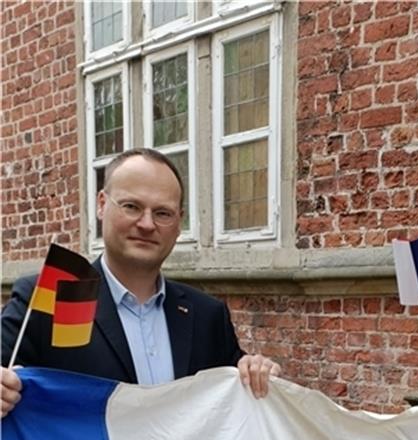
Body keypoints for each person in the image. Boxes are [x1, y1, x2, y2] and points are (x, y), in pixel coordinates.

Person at [1, 148, 276, 417]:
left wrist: (255, 371)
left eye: (163, 213)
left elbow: (233, 396)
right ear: (101, 204)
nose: (146, 224)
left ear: (179, 222)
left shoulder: (207, 316)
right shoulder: (52, 297)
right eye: (132, 207)